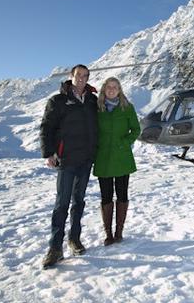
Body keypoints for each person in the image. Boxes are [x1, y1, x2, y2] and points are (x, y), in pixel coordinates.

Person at [40, 64, 98, 269]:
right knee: (61, 203)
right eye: (78, 75)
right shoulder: (58, 101)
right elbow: (46, 127)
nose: (82, 78)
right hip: (66, 160)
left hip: (85, 160)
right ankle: (55, 247)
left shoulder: (92, 100)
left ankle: (74, 239)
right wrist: (48, 153)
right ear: (70, 77)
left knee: (79, 201)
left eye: (85, 75)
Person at [93, 77, 141, 246]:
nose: (112, 90)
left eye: (115, 87)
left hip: (122, 158)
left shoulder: (127, 108)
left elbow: (136, 129)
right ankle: (108, 234)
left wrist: (124, 142)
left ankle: (119, 231)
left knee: (122, 194)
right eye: (109, 87)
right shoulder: (97, 108)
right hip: (103, 158)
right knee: (106, 196)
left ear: (120, 90)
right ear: (104, 89)